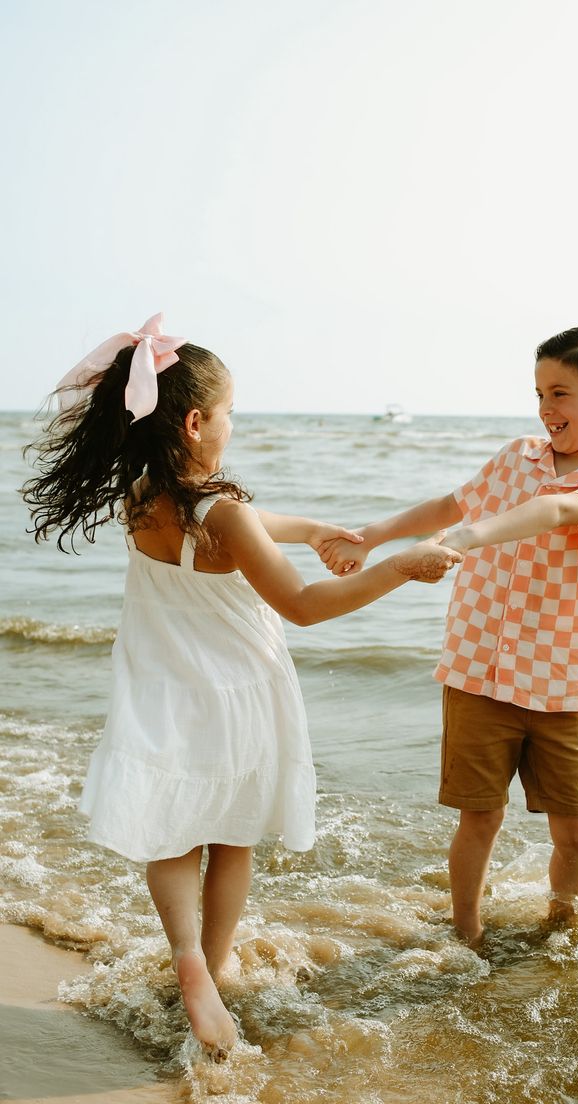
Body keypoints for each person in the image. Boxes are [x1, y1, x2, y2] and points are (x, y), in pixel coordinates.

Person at [22, 314, 461, 1059]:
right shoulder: (222, 512)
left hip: (161, 686)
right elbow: (304, 606)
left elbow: (259, 524)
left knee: (172, 831)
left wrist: (324, 527)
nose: (233, 425)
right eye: (230, 414)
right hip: (238, 693)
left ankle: (187, 960)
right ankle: (217, 967)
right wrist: (400, 567)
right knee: (230, 837)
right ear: (197, 422)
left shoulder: (142, 493)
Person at [318, 325, 578, 946]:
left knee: (577, 833)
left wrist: (463, 541)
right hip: (477, 667)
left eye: (559, 394)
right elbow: (452, 503)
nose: (546, 410)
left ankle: (560, 936)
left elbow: (553, 511)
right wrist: (373, 534)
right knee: (480, 817)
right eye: (538, 394)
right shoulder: (515, 456)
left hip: (560, 680)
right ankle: (465, 936)